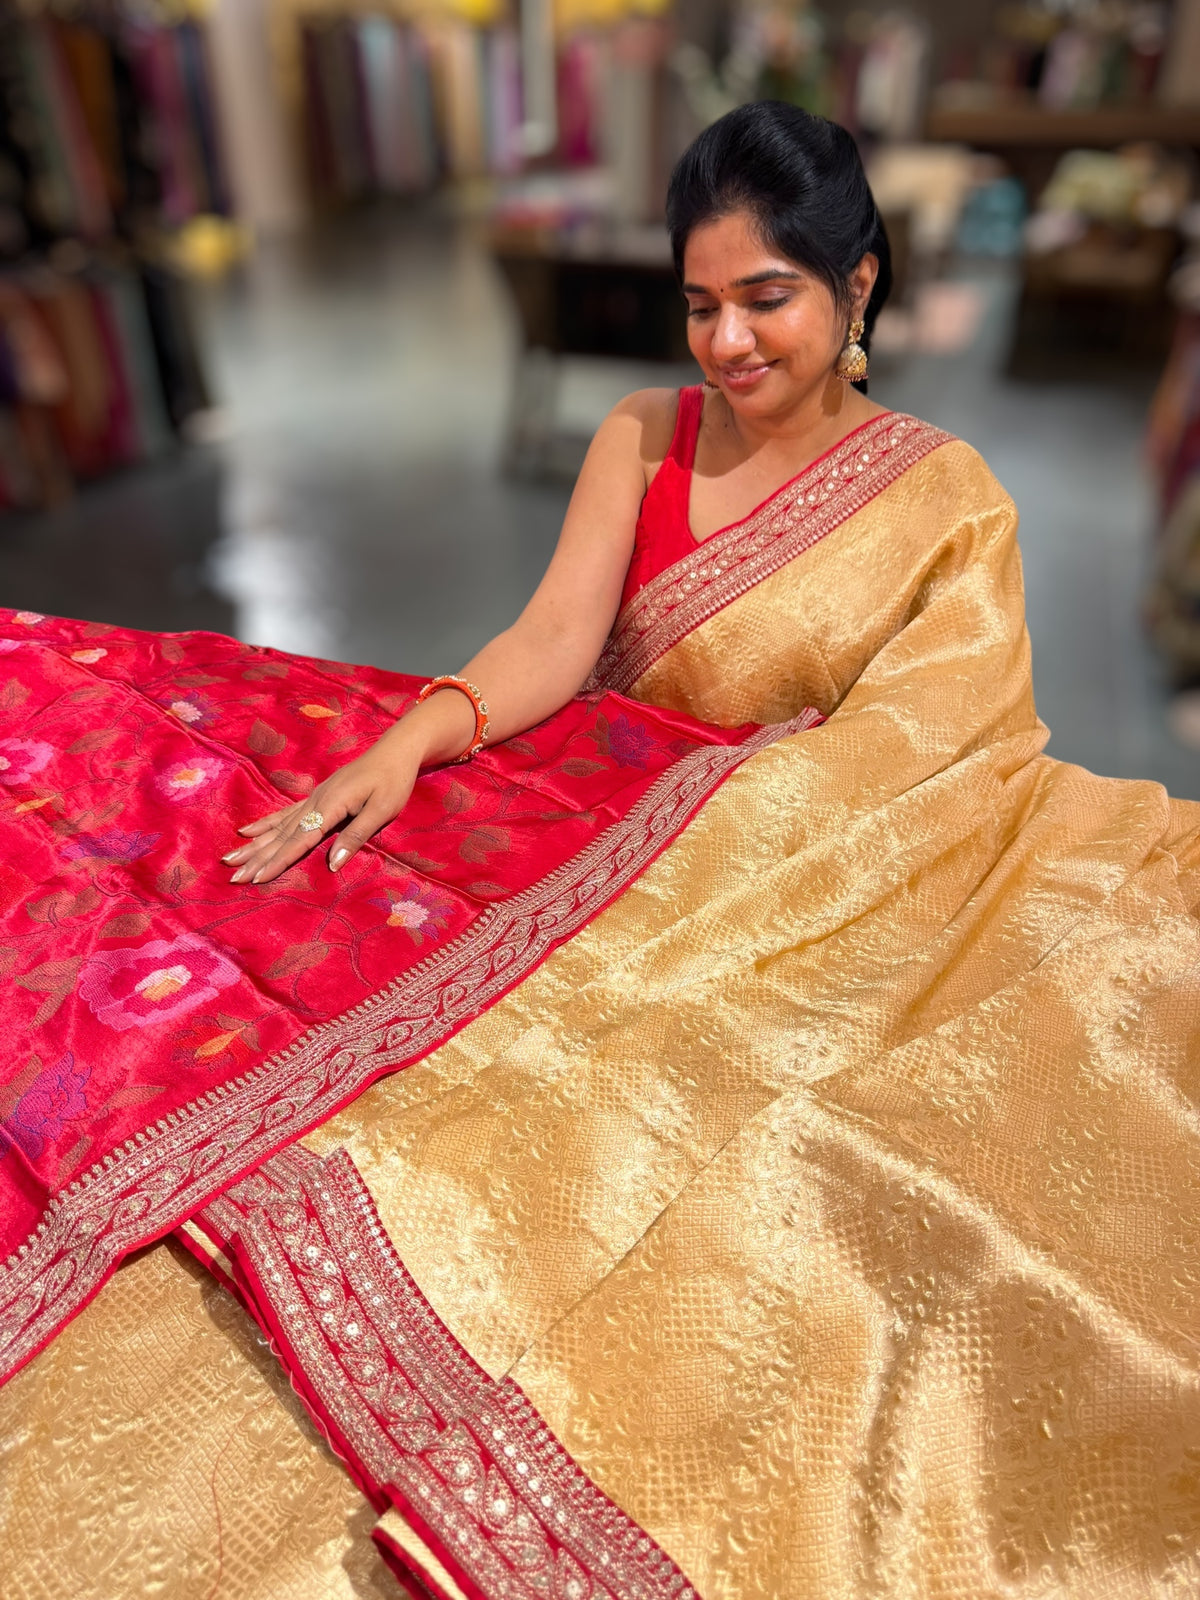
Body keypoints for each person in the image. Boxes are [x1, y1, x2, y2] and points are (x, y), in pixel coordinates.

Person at [2, 103, 1198, 1600]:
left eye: (768, 297)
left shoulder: (948, 503)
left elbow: (934, 761)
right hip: (590, 835)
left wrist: (742, 815)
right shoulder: (645, 438)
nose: (728, 344)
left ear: (862, 288)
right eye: (701, 304)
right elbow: (557, 645)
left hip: (782, 883)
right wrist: (419, 733)